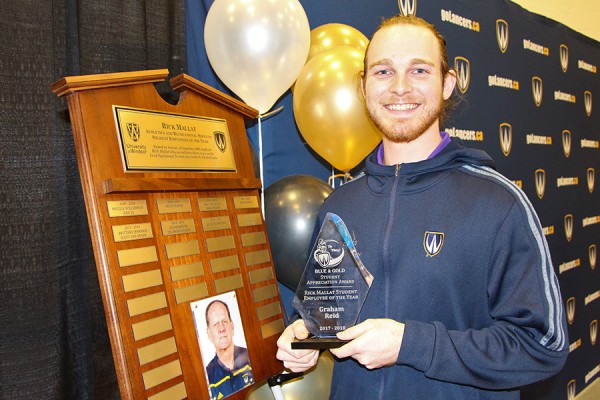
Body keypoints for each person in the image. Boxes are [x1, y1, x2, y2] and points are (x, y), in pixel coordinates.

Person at [276, 14, 569, 399]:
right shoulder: (342, 204)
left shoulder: (498, 203)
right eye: (383, 71)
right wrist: (303, 335)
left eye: (419, 70)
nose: (400, 87)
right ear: (363, 87)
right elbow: (324, 314)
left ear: (447, 84)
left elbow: (541, 345)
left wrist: (409, 344)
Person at [205, 299, 254, 399]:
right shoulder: (207, 378)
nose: (221, 329)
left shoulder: (253, 357)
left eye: (224, 322)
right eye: (216, 324)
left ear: (232, 327)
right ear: (209, 334)